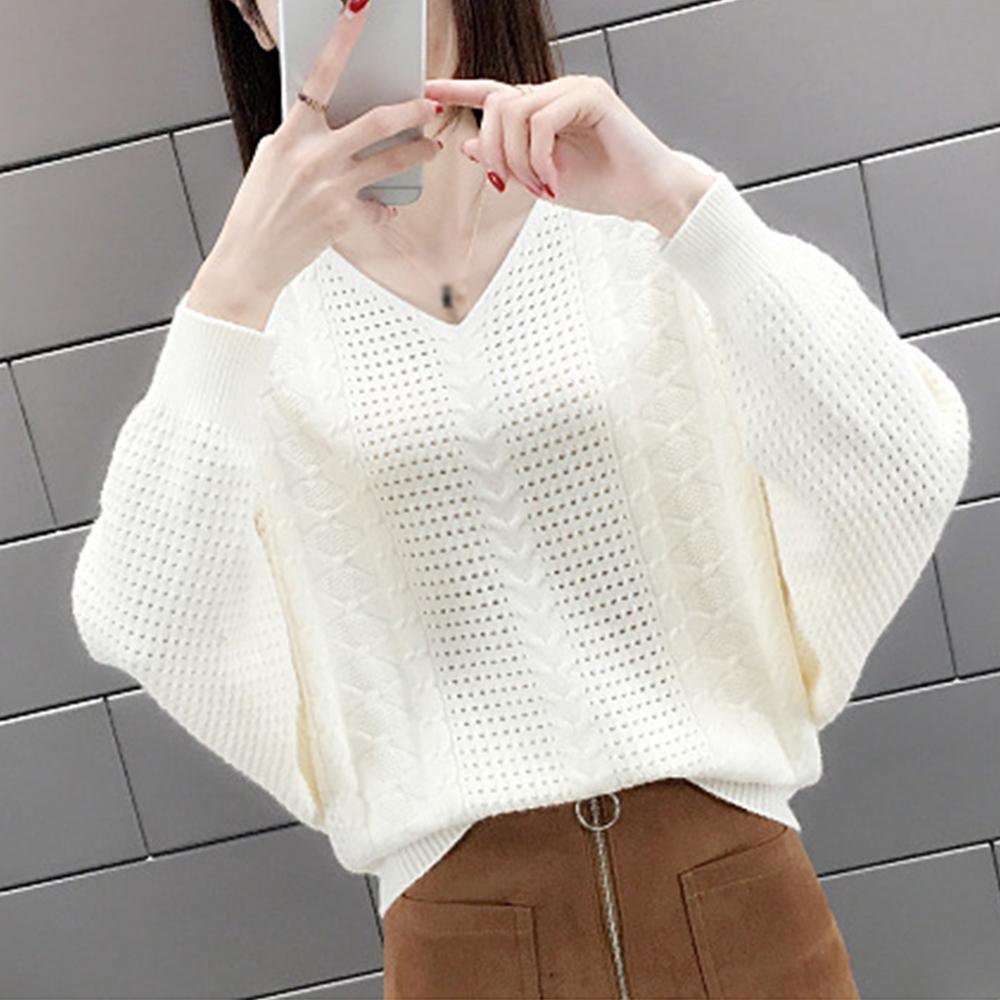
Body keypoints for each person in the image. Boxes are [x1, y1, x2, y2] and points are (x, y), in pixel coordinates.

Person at [70, 0, 971, 997]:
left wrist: (679, 201)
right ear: (255, 17)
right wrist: (231, 293)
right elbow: (143, 611)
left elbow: (900, 454)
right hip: (465, 931)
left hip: (735, 888)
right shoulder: (257, 318)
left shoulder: (628, 221)